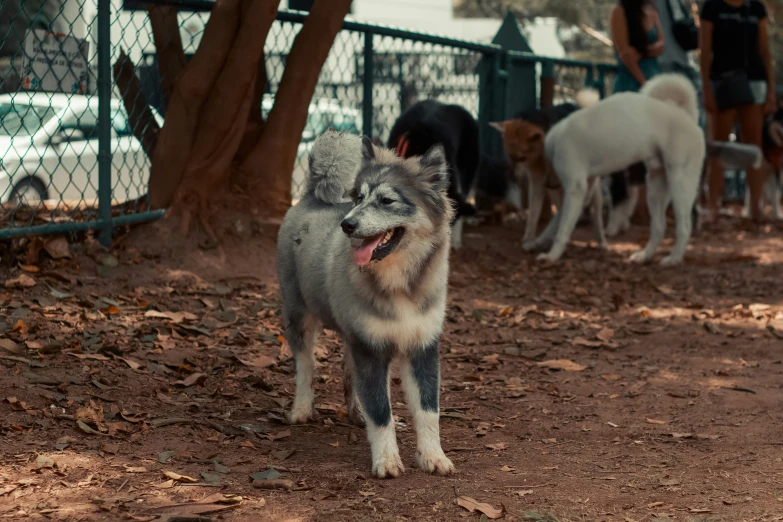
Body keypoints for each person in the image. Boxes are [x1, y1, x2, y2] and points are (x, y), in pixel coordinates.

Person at [700, 0, 776, 223]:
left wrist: (770, 90)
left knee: (754, 147)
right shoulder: (711, 7)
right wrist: (706, 89)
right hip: (722, 83)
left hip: (754, 83)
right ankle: (712, 207)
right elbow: (705, 50)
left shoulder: (756, 8)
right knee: (718, 146)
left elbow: (764, 50)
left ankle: (755, 209)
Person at [606, 0, 665, 235]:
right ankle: (621, 210)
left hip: (653, 81)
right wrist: (645, 84)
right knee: (624, 149)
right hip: (632, 85)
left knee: (648, 147)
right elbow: (625, 55)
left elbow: (661, 46)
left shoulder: (651, 10)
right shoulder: (619, 11)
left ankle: (644, 206)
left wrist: (642, 51)